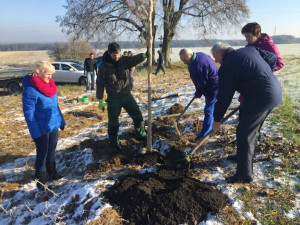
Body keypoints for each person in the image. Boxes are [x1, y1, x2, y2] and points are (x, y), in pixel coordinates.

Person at [211, 42, 282, 183]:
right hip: (273, 92)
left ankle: (244, 174)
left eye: (216, 58)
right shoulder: (250, 50)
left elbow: (224, 96)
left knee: (245, 133)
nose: (216, 61)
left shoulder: (227, 65)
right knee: (249, 128)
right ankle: (242, 155)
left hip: (261, 97)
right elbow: (273, 58)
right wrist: (263, 77)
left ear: (220, 53)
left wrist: (217, 119)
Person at [22, 61, 66, 190]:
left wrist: (61, 121)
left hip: (53, 124)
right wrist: (35, 133)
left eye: (51, 74)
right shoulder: (30, 89)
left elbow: (55, 106)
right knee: (42, 153)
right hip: (41, 128)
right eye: (48, 74)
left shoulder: (51, 86)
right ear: (39, 73)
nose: (50, 77)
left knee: (52, 149)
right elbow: (29, 114)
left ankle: (52, 172)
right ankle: (41, 180)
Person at [96, 42, 148, 149]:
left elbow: (135, 59)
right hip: (114, 98)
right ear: (109, 53)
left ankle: (141, 134)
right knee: (114, 123)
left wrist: (144, 55)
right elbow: (100, 84)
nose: (117, 57)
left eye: (118, 54)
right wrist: (100, 100)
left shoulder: (125, 60)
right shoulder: (103, 66)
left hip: (126, 95)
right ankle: (114, 142)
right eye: (114, 55)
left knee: (138, 116)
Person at [179, 48, 219, 139]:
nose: (184, 62)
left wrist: (198, 94)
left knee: (209, 110)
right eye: (182, 60)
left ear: (190, 55)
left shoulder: (196, 67)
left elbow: (201, 84)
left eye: (185, 60)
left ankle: (204, 134)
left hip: (213, 87)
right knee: (213, 108)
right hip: (215, 82)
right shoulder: (200, 54)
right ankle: (214, 124)